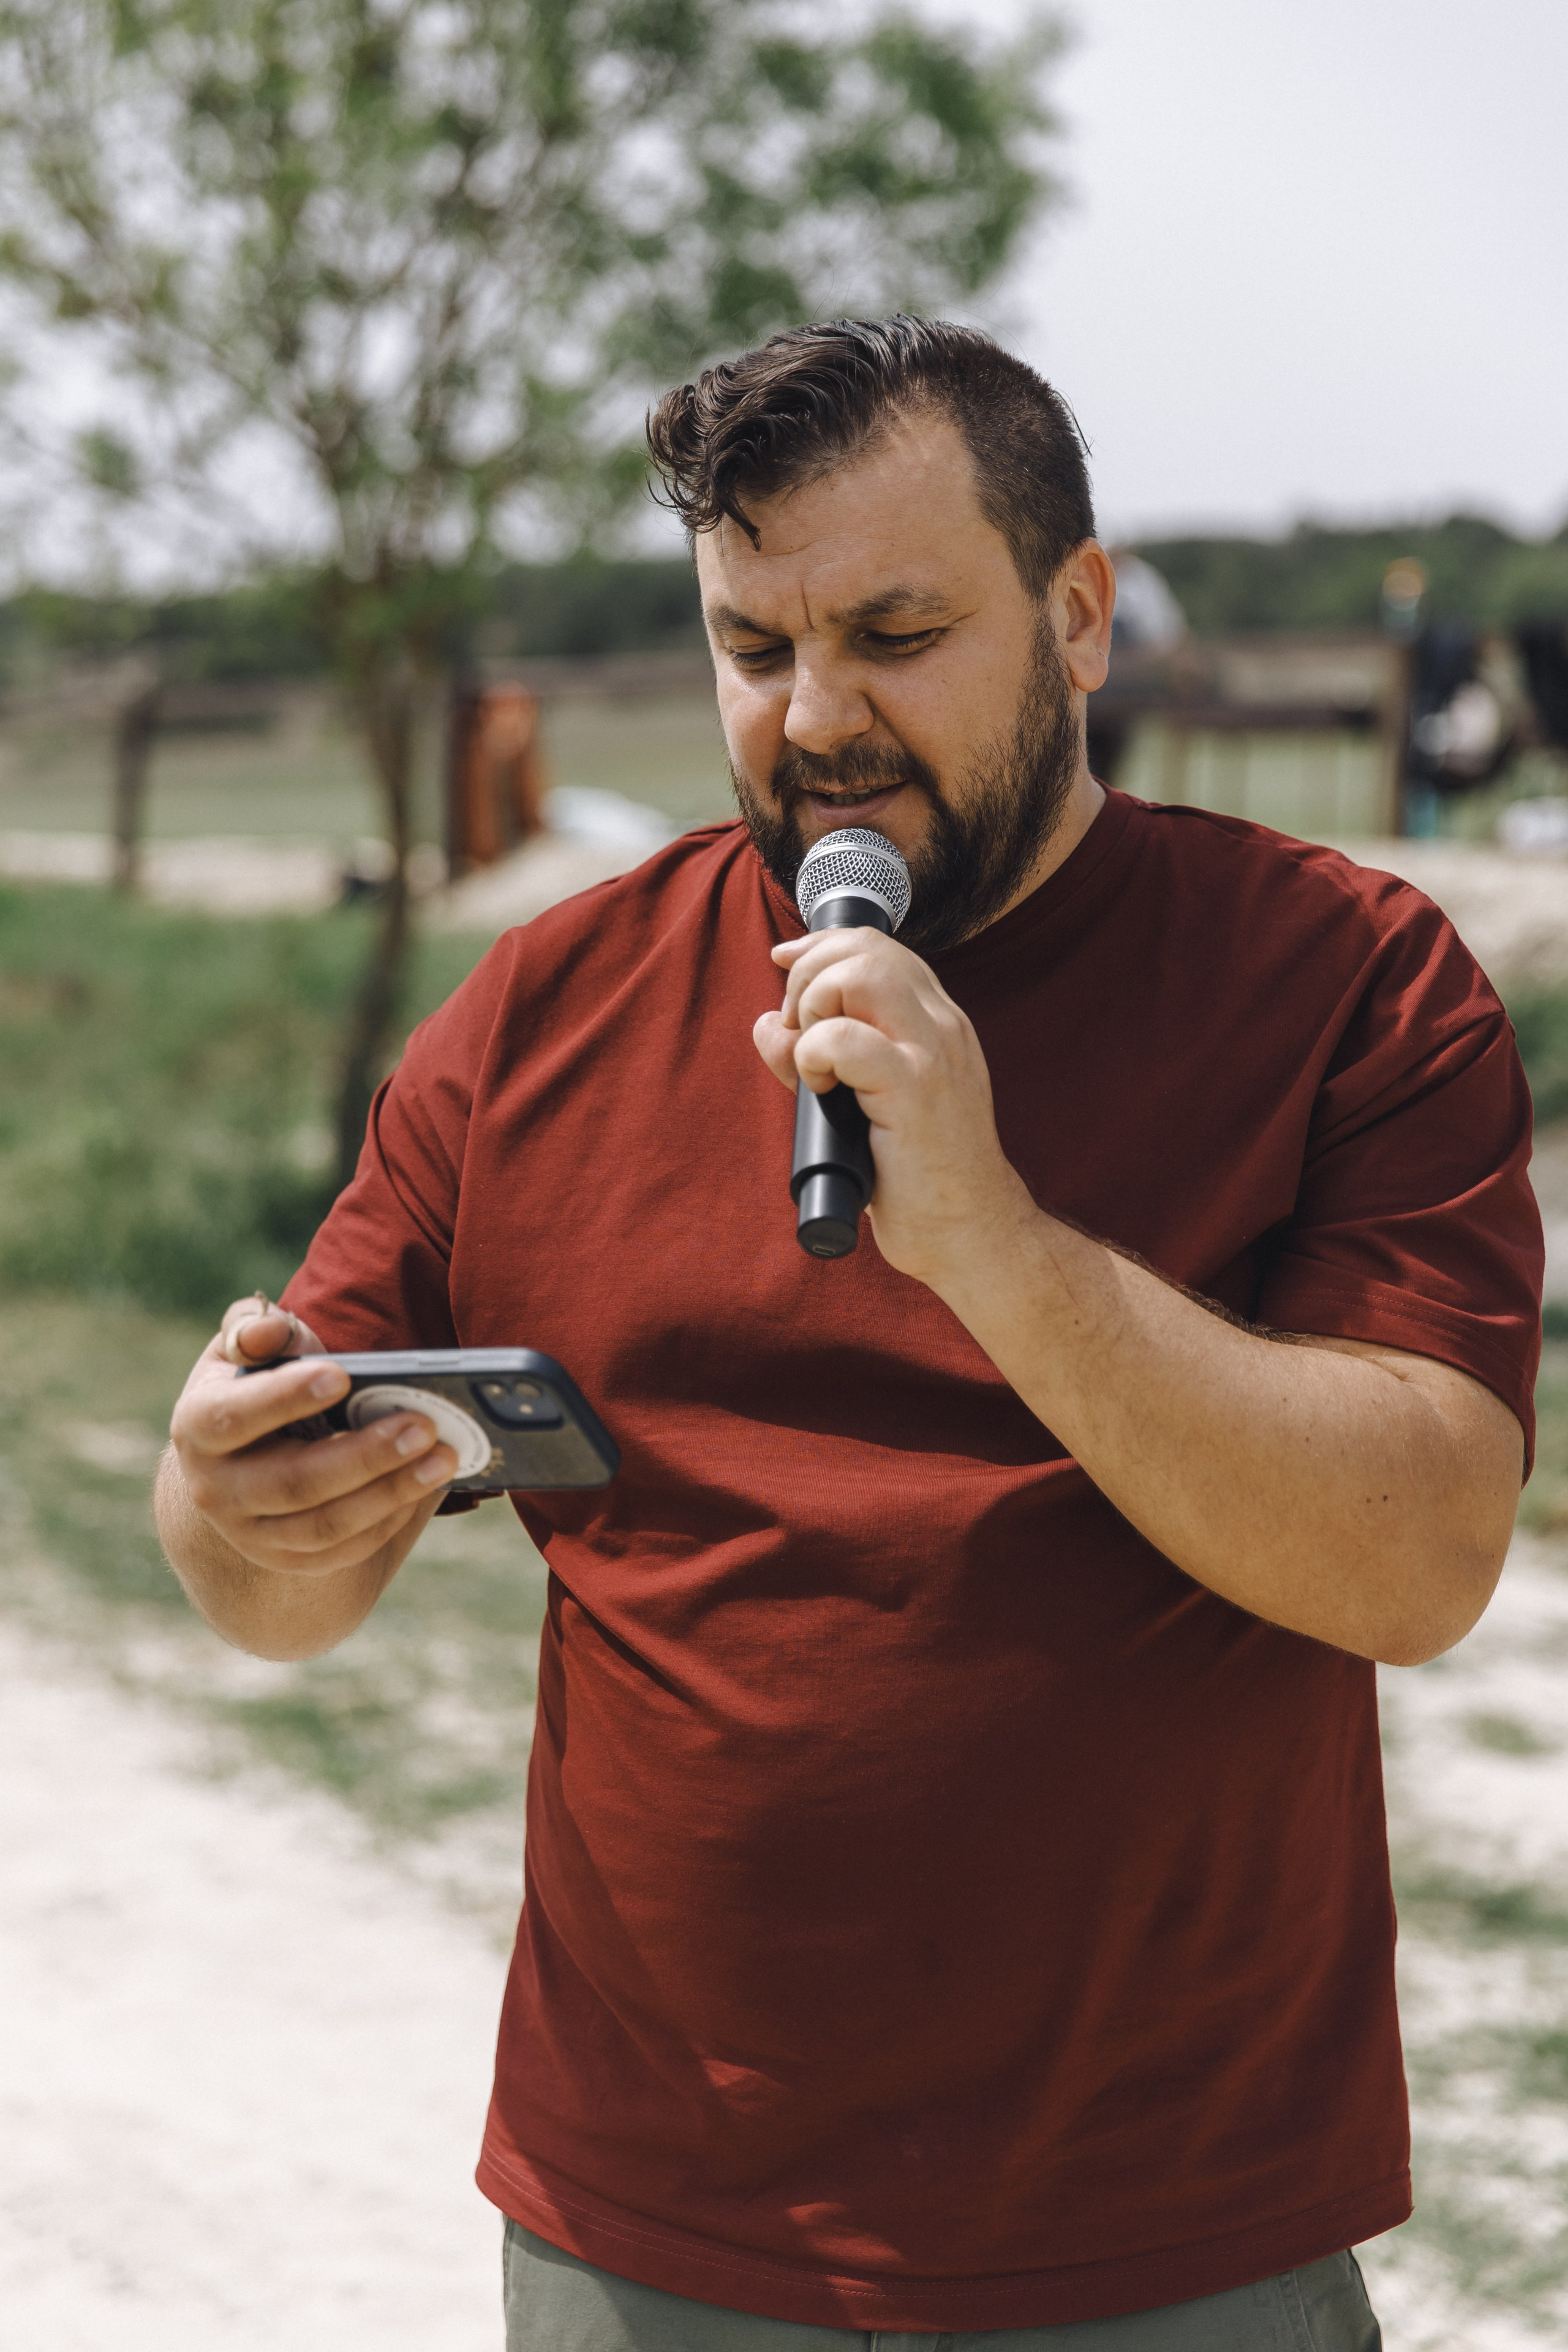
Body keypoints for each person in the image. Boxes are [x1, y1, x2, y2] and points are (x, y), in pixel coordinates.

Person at [156, 317, 1542, 2351]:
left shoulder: (1347, 978)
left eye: (895, 634)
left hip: (1167, 2240)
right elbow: (265, 1594)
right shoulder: (543, 1010)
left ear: (1079, 618)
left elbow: (1418, 1564)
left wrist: (990, 1236)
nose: (816, 721)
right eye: (753, 646)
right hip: (650, 2236)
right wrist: (227, 1509)